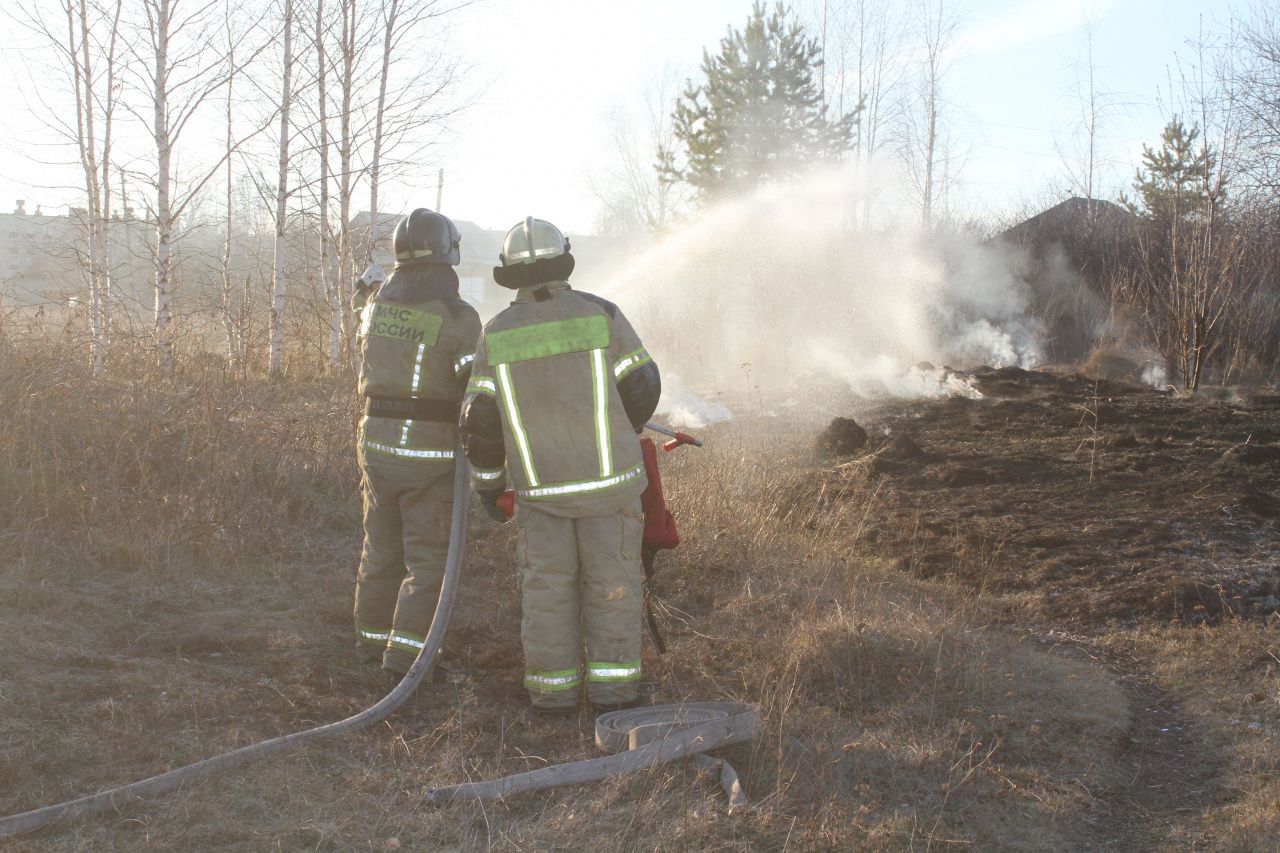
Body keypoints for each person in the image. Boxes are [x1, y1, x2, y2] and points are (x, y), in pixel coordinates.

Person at [460, 216, 661, 712]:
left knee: (548, 594)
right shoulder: (603, 315)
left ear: (511, 274)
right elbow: (644, 386)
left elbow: (479, 423)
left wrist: (490, 488)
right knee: (613, 586)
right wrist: (619, 427)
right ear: (564, 261)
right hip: (611, 490)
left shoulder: (496, 333)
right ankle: (615, 695)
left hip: (540, 495)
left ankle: (553, 697)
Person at [352, 209, 480, 678]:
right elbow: (476, 391)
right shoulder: (457, 316)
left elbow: (365, 324)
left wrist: (364, 288)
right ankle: (404, 663)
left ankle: (368, 645)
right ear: (450, 252)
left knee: (381, 550)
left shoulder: (376, 307)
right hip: (428, 455)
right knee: (428, 565)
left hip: (376, 448)